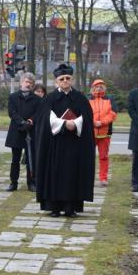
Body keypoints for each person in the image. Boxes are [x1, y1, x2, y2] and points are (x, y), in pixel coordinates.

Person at [35, 64, 95, 217]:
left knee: (72, 175)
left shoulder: (80, 98)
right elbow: (44, 119)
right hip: (55, 146)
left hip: (75, 145)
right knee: (54, 175)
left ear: (72, 80)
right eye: (62, 79)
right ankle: (54, 207)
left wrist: (75, 124)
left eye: (68, 78)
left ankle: (70, 208)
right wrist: (63, 124)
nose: (65, 81)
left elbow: (87, 118)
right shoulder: (49, 99)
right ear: (56, 82)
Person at [5, 72, 41, 192]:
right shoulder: (13, 97)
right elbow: (12, 112)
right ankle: (13, 183)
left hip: (31, 132)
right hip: (16, 131)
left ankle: (31, 183)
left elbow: (38, 113)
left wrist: (30, 121)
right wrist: (21, 122)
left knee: (31, 159)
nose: (28, 84)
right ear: (21, 83)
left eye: (31, 83)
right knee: (15, 159)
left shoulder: (37, 99)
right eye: (26, 82)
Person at [88, 79, 118, 186]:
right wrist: (93, 122)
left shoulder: (110, 99)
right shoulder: (88, 99)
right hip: (90, 133)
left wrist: (102, 122)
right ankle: (88, 178)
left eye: (101, 86)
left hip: (106, 133)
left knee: (104, 156)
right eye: (96, 86)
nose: (99, 88)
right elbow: (84, 112)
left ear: (104, 88)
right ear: (93, 88)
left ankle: (103, 178)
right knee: (88, 157)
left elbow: (113, 113)